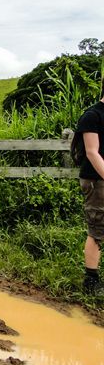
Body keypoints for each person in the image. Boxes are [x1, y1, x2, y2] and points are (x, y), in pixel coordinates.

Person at [76, 92, 104, 296]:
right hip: (96, 181)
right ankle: (91, 281)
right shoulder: (92, 116)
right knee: (98, 229)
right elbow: (92, 152)